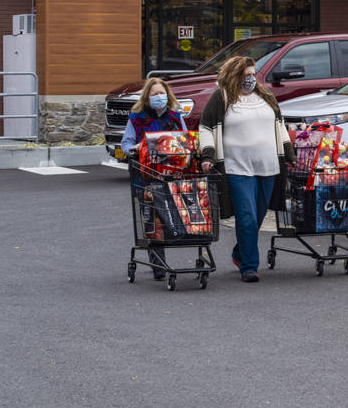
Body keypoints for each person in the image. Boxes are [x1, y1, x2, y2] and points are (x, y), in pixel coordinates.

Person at [197, 57, 293, 282]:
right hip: (237, 167)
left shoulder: (266, 96)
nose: (251, 79)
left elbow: (280, 125)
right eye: (246, 75)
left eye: (253, 74)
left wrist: (288, 153)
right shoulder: (221, 98)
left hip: (268, 166)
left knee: (258, 216)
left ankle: (240, 252)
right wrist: (208, 155)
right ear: (235, 75)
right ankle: (249, 266)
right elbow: (206, 127)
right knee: (247, 217)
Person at [121, 77, 188, 281]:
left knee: (175, 216)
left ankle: (182, 243)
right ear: (147, 97)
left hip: (172, 176)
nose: (159, 97)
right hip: (146, 177)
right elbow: (126, 143)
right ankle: (158, 263)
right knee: (153, 219)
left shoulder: (175, 117)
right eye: (155, 94)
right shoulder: (137, 118)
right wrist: (133, 149)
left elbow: (185, 140)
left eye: (162, 93)